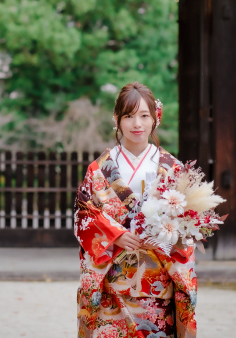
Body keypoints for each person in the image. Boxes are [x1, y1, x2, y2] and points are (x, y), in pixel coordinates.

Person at [75, 82, 197, 338]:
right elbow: (84, 216)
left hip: (158, 284)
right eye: (128, 116)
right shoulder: (99, 169)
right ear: (116, 120)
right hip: (112, 284)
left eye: (144, 115)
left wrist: (165, 236)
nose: (137, 124)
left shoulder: (173, 169)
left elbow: (189, 225)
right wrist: (114, 234)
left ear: (156, 119)